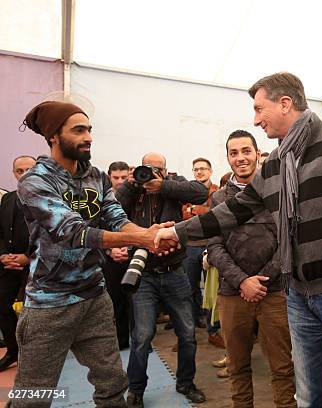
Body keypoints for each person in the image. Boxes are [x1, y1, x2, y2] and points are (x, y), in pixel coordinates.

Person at [155, 71, 322, 407]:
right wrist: (176, 231)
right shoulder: (277, 162)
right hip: (298, 298)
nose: (255, 120)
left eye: (259, 109)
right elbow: (232, 211)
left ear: (285, 103)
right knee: (310, 398)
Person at [12, 100, 172, 407]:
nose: (88, 137)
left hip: (94, 297)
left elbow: (115, 217)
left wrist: (144, 234)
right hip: (49, 305)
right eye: (79, 130)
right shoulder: (34, 182)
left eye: (90, 129)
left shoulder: (96, 176)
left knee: (113, 384)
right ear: (53, 136)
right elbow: (74, 232)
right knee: (33, 396)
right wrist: (146, 238)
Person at [209, 129, 296, 407]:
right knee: (237, 368)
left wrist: (261, 281)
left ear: (257, 154)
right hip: (232, 294)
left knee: (283, 369)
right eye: (234, 153)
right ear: (227, 158)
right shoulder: (219, 199)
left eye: (246, 151)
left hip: (274, 294)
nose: (240, 158)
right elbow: (214, 247)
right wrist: (242, 281)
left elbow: (288, 241)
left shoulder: (276, 191)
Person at [115, 152, 207, 407]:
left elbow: (201, 192)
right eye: (148, 169)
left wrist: (163, 185)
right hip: (143, 276)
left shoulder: (172, 187)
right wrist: (133, 183)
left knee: (188, 332)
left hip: (174, 271)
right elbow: (112, 205)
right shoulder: (133, 191)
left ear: (165, 171)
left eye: (159, 169)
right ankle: (136, 390)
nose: (152, 174)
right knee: (142, 336)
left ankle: (185, 383)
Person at [0, 155, 36, 371]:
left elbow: (53, 234)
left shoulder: (50, 198)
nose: (24, 174)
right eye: (19, 170)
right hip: (9, 263)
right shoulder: (7, 198)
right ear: (14, 173)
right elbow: (0, 232)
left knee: (36, 313)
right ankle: (13, 351)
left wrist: (27, 256)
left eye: (29, 170)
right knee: (1, 305)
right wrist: (3, 255)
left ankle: (36, 356)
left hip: (37, 263)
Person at [181, 157, 218, 332]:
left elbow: (215, 215)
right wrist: (202, 213)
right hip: (190, 246)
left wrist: (194, 211)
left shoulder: (217, 192)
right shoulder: (187, 192)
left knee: (212, 287)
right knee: (190, 286)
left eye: (203, 168)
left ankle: (213, 326)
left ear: (210, 171)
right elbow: (183, 216)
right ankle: (196, 319)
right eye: (196, 169)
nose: (199, 172)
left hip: (210, 245)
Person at [103, 160, 132, 349]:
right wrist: (110, 249)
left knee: (136, 300)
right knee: (115, 300)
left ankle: (140, 338)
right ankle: (121, 339)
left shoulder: (137, 197)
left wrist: (129, 248)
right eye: (116, 177)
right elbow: (96, 228)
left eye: (124, 177)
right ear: (109, 177)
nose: (120, 181)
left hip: (134, 253)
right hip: (110, 256)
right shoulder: (101, 199)